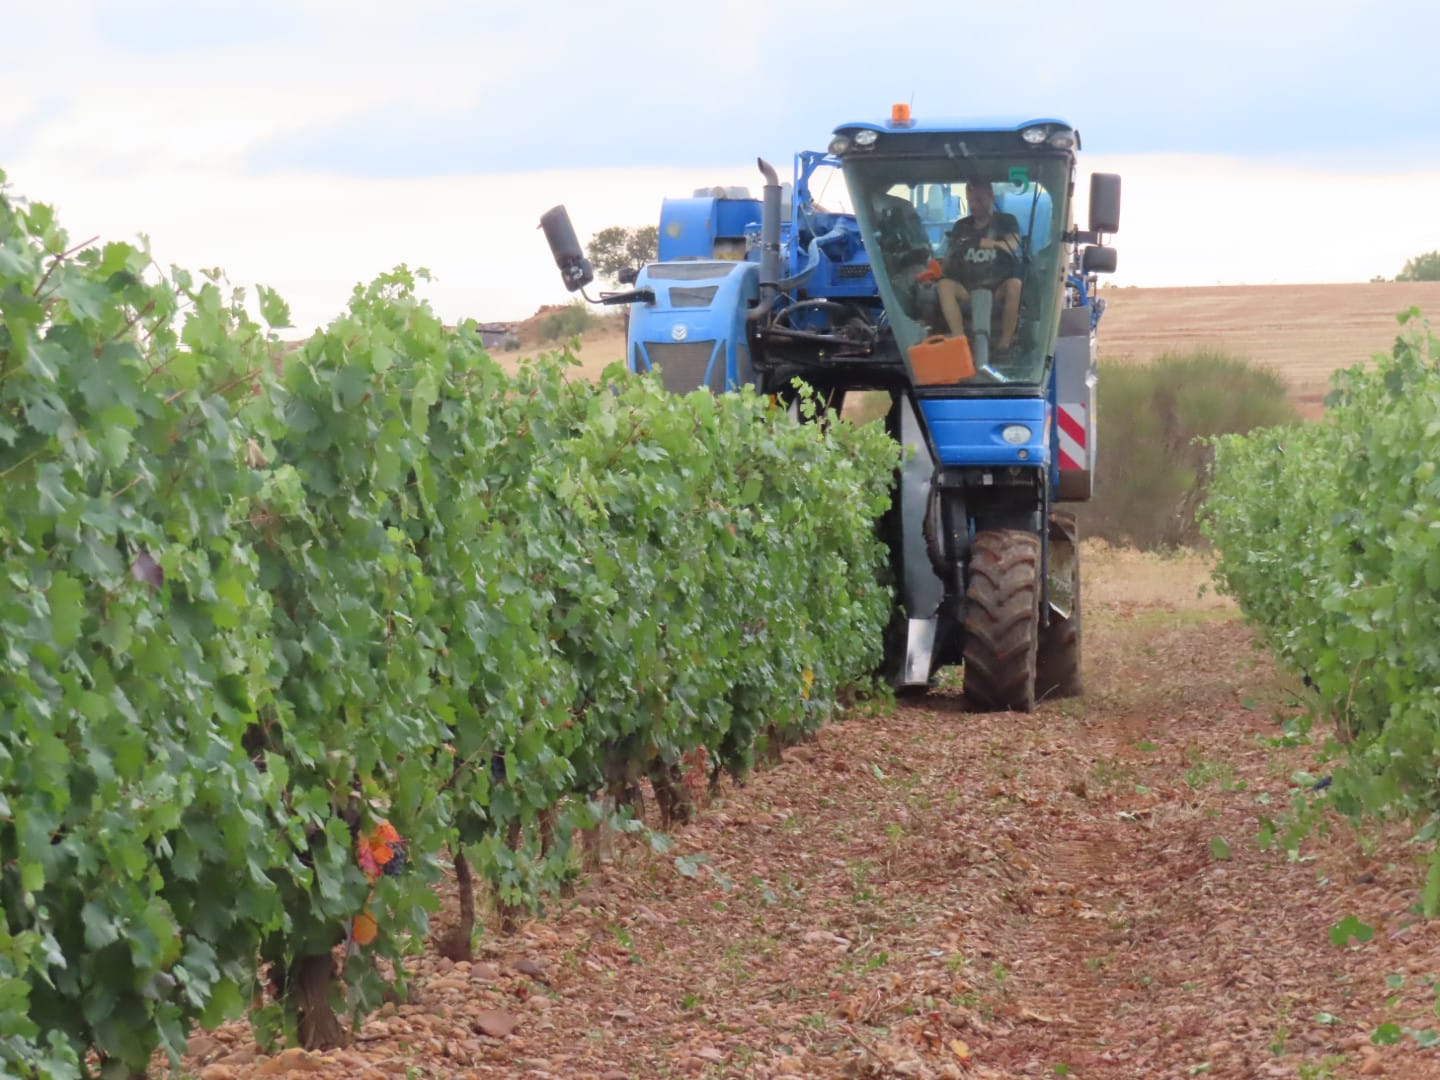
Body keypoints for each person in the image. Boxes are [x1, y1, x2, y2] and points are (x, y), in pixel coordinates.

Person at [936, 179, 1023, 351]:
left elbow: (1013, 245)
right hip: (967, 290)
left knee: (1015, 284)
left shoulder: (1006, 221)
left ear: (991, 197)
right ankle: (960, 341)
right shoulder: (961, 226)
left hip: (998, 289)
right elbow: (950, 255)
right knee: (944, 285)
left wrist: (994, 244)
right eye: (970, 200)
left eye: (979, 199)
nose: (974, 205)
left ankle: (1005, 342)